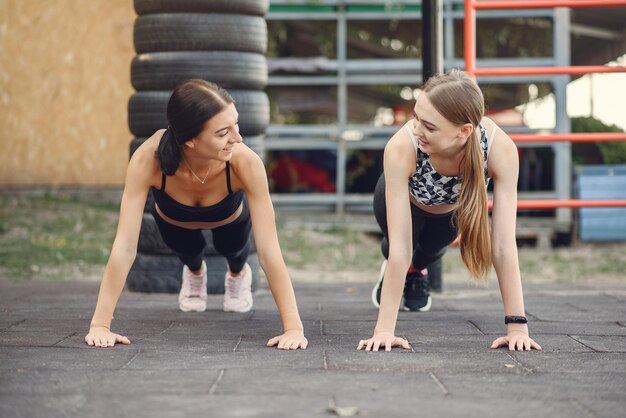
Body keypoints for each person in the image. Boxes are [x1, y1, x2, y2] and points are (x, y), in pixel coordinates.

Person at [85, 80, 307, 350]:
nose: (238, 138)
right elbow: (125, 246)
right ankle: (194, 272)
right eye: (223, 132)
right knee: (189, 252)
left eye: (236, 124)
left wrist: (293, 329)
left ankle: (237, 275)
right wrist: (100, 325)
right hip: (174, 219)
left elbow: (269, 251)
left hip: (228, 218)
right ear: (190, 140)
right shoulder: (147, 160)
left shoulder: (245, 163)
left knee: (234, 250)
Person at [358, 70, 542, 352]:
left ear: (464, 131)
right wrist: (384, 332)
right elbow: (401, 247)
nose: (417, 129)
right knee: (396, 248)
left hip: (448, 212)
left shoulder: (499, 149)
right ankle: (403, 272)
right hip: (402, 200)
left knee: (431, 252)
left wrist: (517, 326)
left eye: (429, 126)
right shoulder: (401, 147)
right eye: (416, 117)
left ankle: (417, 270)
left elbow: (504, 244)